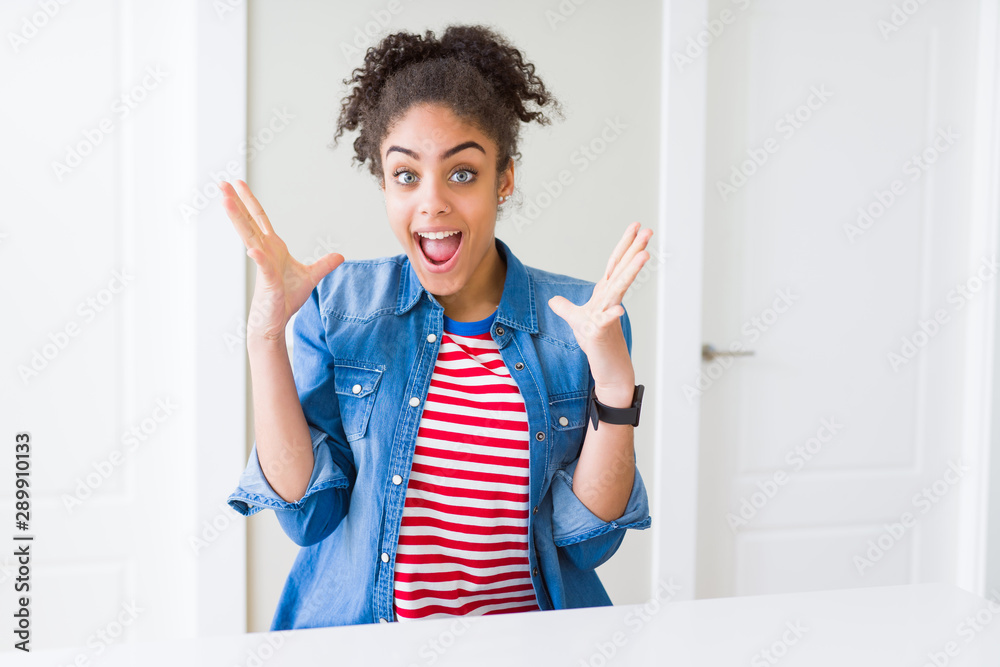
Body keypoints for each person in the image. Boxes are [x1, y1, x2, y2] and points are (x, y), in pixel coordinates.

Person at [223, 23, 654, 630]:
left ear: (504, 179)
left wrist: (612, 382)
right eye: (406, 175)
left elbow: (590, 545)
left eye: (462, 173)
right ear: (383, 182)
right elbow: (307, 516)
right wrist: (265, 337)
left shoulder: (581, 323)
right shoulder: (340, 308)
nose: (432, 202)